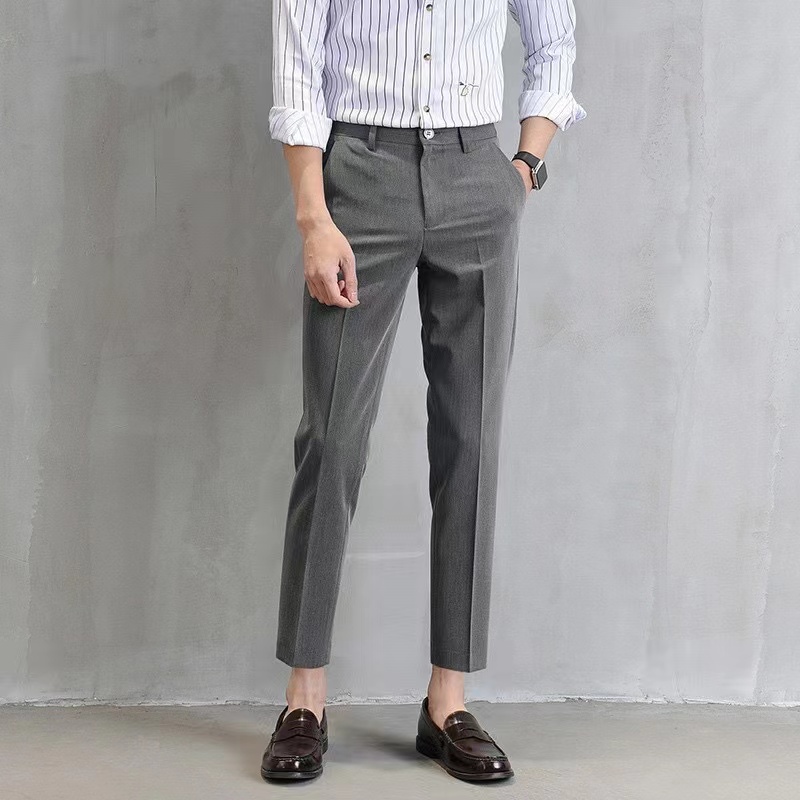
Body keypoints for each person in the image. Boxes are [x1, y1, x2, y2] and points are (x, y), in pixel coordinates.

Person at [261, 0, 585, 783]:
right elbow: (298, 61)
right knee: (333, 438)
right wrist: (313, 216)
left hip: (476, 174)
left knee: (471, 438)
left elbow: (554, 39)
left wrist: (523, 168)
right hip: (359, 172)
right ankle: (305, 700)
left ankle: (448, 702)